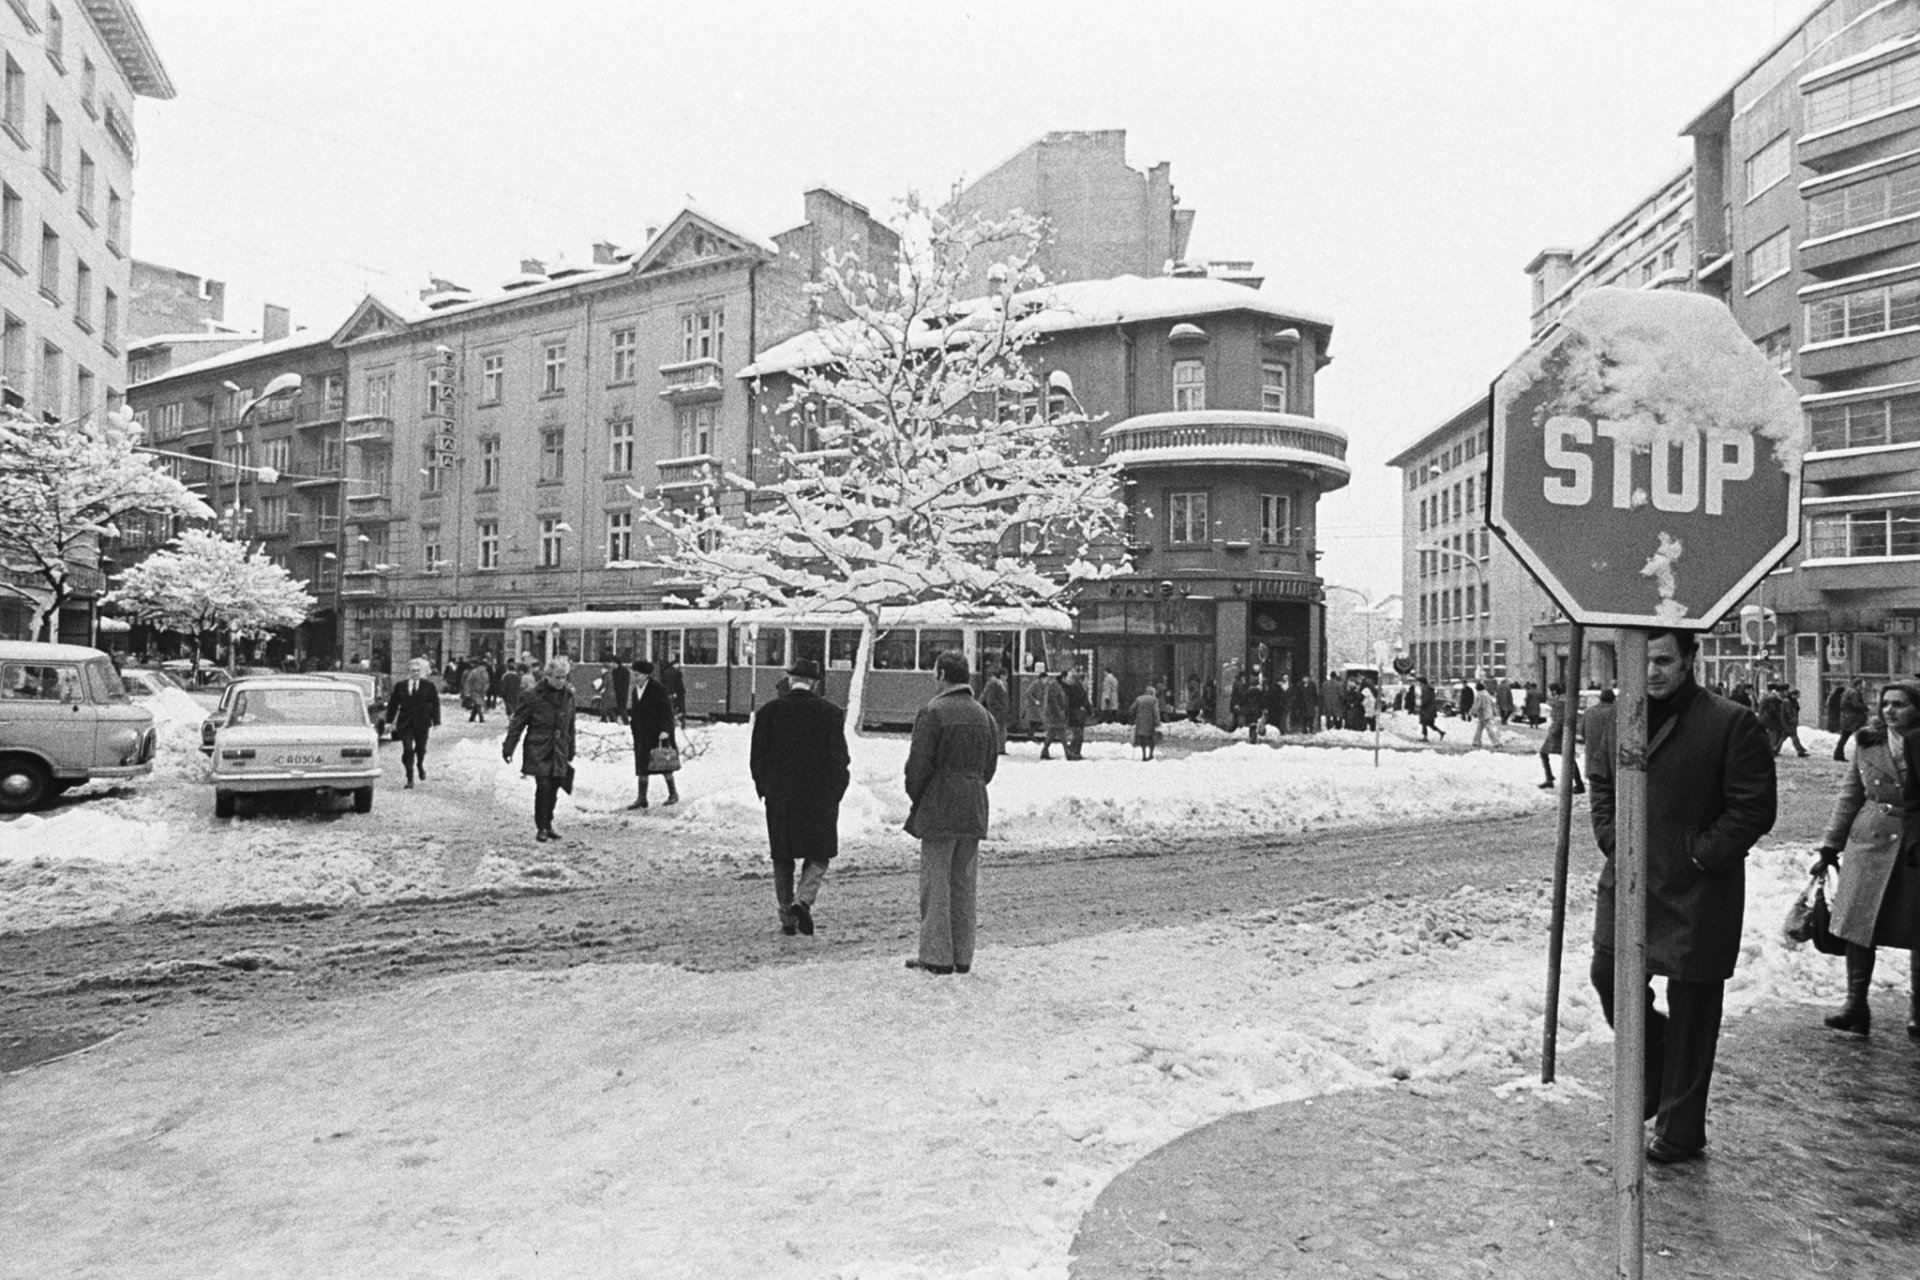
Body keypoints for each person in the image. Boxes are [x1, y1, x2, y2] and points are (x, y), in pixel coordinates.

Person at [1587, 628, 1776, 1165]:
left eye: (1664, 660)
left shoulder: (1729, 723)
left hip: (1697, 889)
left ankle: (1681, 1127)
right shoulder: (1608, 717)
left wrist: (1700, 854)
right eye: (1640, 660)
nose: (1651, 672)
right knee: (1609, 974)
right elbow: (1600, 787)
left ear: (1690, 660)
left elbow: (1754, 807)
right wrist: (1613, 839)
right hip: (1628, 881)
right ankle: (1656, 1064)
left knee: (1693, 1006)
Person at [1813, 680, 1920, 1036]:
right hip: (1869, 839)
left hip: (1913, 843)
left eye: (1900, 704)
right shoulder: (1867, 742)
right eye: (1886, 703)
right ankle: (1855, 1004)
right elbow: (1850, 795)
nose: (1890, 710)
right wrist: (1831, 845)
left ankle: (1918, 1011)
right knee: (1859, 924)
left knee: (1917, 926)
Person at [903, 651, 998, 975]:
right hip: (973, 805)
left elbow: (918, 766)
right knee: (963, 885)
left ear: (942, 673)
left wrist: (921, 796)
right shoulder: (984, 715)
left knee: (936, 884)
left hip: (940, 805)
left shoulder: (933, 712)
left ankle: (936, 955)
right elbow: (989, 767)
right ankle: (962, 956)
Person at [750, 657, 851, 937]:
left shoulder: (769, 712)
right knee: (819, 854)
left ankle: (787, 919)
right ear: (815, 683)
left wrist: (765, 788)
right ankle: (803, 900)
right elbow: (839, 759)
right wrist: (836, 792)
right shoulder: (831, 713)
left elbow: (757, 757)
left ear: (790, 680)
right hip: (819, 798)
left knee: (783, 856)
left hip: (780, 797)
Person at [503, 657, 578, 842]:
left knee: (554, 787)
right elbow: (517, 723)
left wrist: (571, 748)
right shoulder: (532, 695)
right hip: (539, 747)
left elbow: (571, 725)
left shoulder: (568, 695)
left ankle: (549, 823)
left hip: (559, 748)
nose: (561, 681)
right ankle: (541, 827)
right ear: (548, 676)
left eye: (564, 677)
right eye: (557, 677)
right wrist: (509, 747)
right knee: (543, 786)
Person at [627, 657, 679, 808]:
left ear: (645, 675)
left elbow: (666, 712)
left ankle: (673, 793)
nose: (634, 678)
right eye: (633, 674)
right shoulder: (635, 690)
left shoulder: (658, 689)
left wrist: (665, 730)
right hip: (642, 733)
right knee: (642, 766)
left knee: (663, 763)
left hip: (657, 732)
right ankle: (642, 798)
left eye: (636, 675)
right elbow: (635, 711)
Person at [384, 657, 442, 789]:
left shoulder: (428, 686)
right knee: (408, 749)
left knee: (421, 749)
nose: (415, 673)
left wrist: (436, 721)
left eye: (418, 671)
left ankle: (420, 765)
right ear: (408, 672)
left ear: (421, 672)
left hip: (422, 723)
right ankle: (409, 776)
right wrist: (389, 721)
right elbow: (393, 704)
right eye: (413, 671)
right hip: (405, 723)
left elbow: (434, 704)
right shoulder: (401, 686)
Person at [1537, 683, 1583, 793]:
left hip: (1559, 734)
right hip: (1561, 733)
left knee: (1567, 757)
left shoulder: (1561, 703)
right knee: (1548, 753)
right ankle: (1550, 778)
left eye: (1550, 691)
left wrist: (1553, 730)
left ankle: (1578, 784)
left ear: (1554, 692)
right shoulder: (1564, 700)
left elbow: (1560, 719)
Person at [1037, 669, 1070, 760]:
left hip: (1055, 713)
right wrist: (1059, 712)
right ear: (1063, 677)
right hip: (1055, 714)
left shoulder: (1057, 685)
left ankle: (1044, 751)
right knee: (1061, 732)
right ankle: (1067, 753)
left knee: (1052, 733)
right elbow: (1053, 701)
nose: (1068, 680)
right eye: (1067, 678)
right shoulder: (1054, 686)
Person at [1061, 667, 1091, 761]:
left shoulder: (1079, 687)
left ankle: (1076, 752)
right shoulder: (1077, 688)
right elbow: (1084, 702)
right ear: (1082, 680)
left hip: (1078, 715)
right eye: (1087, 680)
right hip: (1075, 714)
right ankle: (1071, 751)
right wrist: (1090, 711)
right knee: (1078, 735)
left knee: (1079, 735)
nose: (1088, 682)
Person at [980, 663, 1010, 755]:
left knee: (1002, 730)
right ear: (1000, 675)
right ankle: (997, 748)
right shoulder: (994, 684)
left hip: (1002, 711)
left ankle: (1001, 748)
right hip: (996, 711)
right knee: (997, 730)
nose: (1005, 677)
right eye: (1004, 675)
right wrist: (1000, 706)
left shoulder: (1004, 684)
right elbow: (991, 699)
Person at [1836, 679, 1869, 761]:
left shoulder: (1849, 691)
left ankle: (1838, 754)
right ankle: (1862, 756)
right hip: (1854, 719)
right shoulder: (1854, 693)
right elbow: (1855, 705)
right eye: (1863, 684)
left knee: (1844, 737)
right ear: (1859, 684)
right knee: (1861, 736)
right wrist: (1865, 707)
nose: (1864, 686)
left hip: (1848, 718)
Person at [1131, 682, 1162, 760]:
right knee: (1151, 738)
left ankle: (1144, 755)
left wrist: (1135, 717)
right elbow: (1155, 712)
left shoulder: (1139, 699)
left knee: (1142, 739)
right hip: (1150, 722)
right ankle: (1150, 754)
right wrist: (1157, 721)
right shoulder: (1154, 700)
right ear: (1152, 693)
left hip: (1140, 721)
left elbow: (1132, 709)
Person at [461, 660, 490, 724]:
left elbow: (468, 682)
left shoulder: (474, 672)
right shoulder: (485, 673)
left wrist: (466, 691)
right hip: (480, 691)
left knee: (477, 704)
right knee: (477, 703)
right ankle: (477, 718)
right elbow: (487, 683)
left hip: (473, 690)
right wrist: (484, 690)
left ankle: (476, 718)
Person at [1417, 676, 1446, 742]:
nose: (1419, 684)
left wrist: (1422, 706)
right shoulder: (1428, 688)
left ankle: (1425, 737)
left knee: (1424, 722)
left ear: (1422, 683)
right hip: (1431, 709)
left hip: (1427, 709)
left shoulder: (1425, 689)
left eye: (1420, 683)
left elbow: (1426, 699)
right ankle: (1441, 732)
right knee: (1430, 724)